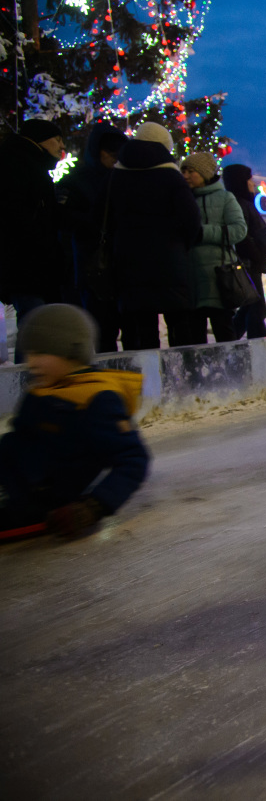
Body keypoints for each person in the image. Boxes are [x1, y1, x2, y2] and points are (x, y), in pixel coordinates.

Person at [0, 304, 149, 542]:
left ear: (70, 352)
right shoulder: (41, 390)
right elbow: (18, 441)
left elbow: (133, 460)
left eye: (40, 353)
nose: (31, 362)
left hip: (33, 501)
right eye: (29, 353)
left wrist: (93, 507)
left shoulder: (97, 399)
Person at [106, 123, 202, 350]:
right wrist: (181, 246)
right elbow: (191, 218)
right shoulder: (170, 175)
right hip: (169, 260)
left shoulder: (117, 175)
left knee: (142, 328)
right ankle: (184, 377)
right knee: (179, 325)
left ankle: (148, 379)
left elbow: (105, 217)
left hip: (129, 260)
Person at [55, 123, 127, 352]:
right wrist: (97, 224)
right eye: (110, 153)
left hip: (120, 266)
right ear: (98, 150)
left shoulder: (122, 178)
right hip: (91, 265)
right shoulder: (77, 180)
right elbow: (64, 220)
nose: (114, 158)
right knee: (99, 331)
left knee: (123, 329)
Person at [1, 119, 66, 360]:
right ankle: (26, 383)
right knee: (34, 324)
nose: (61, 145)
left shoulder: (25, 162)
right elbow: (21, 217)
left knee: (35, 323)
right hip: (25, 263)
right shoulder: (19, 165)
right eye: (56, 138)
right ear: (40, 138)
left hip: (29, 262)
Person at [181, 152, 247, 343]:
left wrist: (203, 233)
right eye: (183, 170)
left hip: (220, 280)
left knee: (224, 334)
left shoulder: (225, 198)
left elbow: (239, 230)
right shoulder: (184, 199)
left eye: (190, 171)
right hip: (192, 279)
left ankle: (231, 372)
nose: (185, 175)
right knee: (194, 340)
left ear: (205, 173)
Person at [223, 164, 266, 340]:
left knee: (251, 306)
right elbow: (243, 237)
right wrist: (258, 254)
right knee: (256, 307)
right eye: (249, 180)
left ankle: (231, 341)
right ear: (241, 181)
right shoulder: (239, 204)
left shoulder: (243, 203)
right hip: (249, 264)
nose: (252, 184)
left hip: (251, 263)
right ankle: (256, 346)